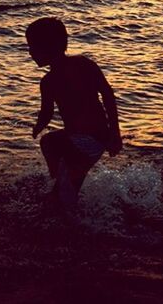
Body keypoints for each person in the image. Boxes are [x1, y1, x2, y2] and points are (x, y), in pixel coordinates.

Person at [27, 17, 122, 214]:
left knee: (59, 199)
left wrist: (38, 126)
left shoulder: (49, 81)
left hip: (84, 143)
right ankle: (63, 181)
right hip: (96, 136)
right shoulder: (84, 64)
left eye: (32, 47)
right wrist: (114, 132)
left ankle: (68, 206)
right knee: (49, 142)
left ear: (47, 48)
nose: (30, 53)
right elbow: (108, 95)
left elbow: (46, 113)